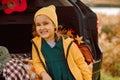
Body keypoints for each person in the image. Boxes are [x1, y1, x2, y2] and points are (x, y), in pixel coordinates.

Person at [32, 5, 92, 80]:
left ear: (54, 25)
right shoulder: (36, 44)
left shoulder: (68, 43)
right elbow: (37, 62)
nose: (42, 28)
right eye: (38, 25)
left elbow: (81, 63)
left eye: (45, 23)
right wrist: (43, 73)